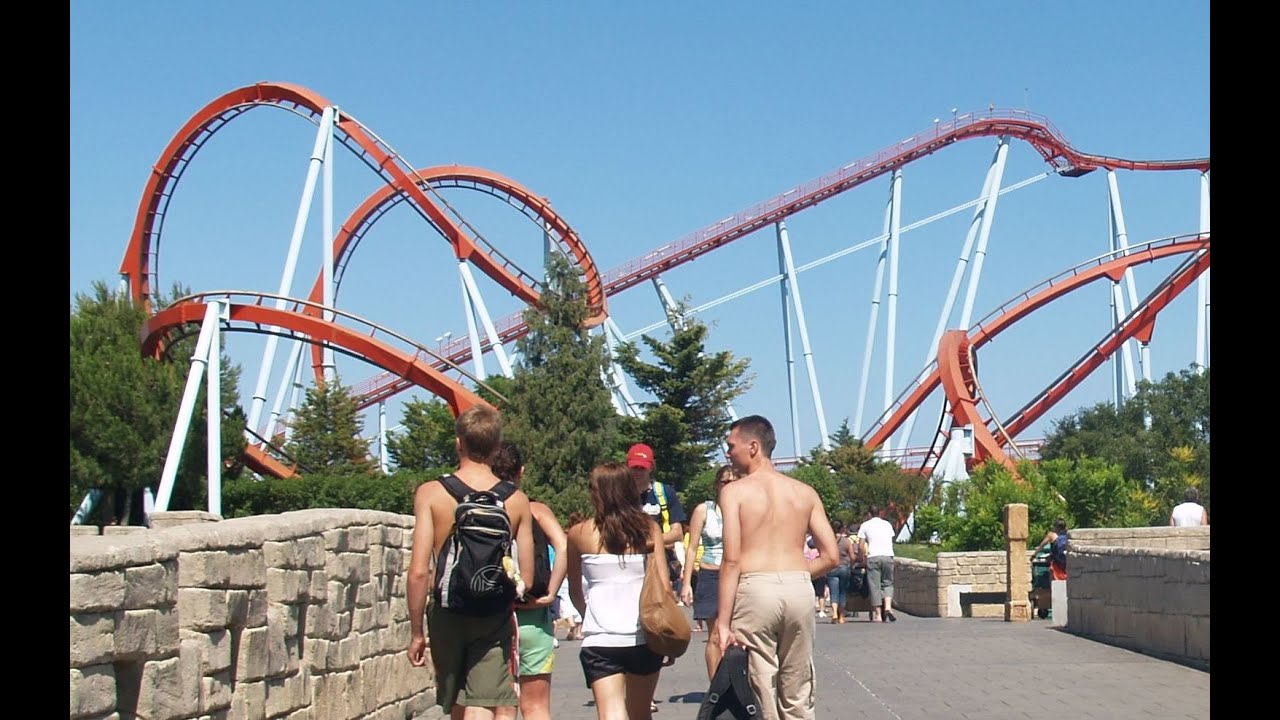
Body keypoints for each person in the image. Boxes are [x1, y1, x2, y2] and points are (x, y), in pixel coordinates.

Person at [406, 405, 535, 720]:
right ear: (495, 447)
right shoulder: (516, 501)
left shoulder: (431, 493)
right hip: (492, 611)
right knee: (483, 697)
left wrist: (416, 633)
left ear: (458, 443)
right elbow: (527, 578)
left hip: (446, 609)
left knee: (458, 701)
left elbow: (419, 571)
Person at [717, 415, 838, 720]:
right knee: (798, 685)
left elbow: (731, 559)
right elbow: (832, 556)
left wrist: (722, 622)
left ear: (753, 446)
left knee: (760, 686)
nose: (728, 453)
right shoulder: (804, 492)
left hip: (755, 587)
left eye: (732, 445)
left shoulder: (733, 492)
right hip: (798, 587)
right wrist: (795, 575)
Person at [566, 462, 672, 720]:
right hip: (643, 635)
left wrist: (589, 614)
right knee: (640, 713)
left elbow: (574, 589)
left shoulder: (579, 533)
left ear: (596, 492)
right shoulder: (648, 529)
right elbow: (665, 587)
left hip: (600, 638)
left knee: (610, 713)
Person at [490, 441, 567, 720]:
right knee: (535, 707)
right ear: (521, 471)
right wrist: (552, 592)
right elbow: (563, 546)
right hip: (534, 614)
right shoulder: (536, 509)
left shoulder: (480, 509)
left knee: (502, 706)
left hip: (493, 616)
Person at [628, 442, 687, 714]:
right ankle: (635, 688)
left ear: (650, 467)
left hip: (659, 564)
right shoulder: (622, 494)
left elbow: (677, 532)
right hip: (629, 567)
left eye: (642, 468)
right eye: (634, 468)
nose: (638, 473)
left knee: (655, 623)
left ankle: (647, 689)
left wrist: (650, 542)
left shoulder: (664, 493)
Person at [680, 465, 737, 680]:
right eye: (725, 482)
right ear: (717, 485)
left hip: (737, 575)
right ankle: (716, 688)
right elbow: (692, 547)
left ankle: (737, 683)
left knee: (738, 633)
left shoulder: (744, 508)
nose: (729, 486)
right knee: (714, 635)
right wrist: (686, 583)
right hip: (710, 575)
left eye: (734, 481)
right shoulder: (705, 510)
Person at [857, 506, 897, 623]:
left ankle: (878, 615)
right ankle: (888, 607)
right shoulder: (887, 524)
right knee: (888, 583)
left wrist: (860, 557)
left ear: (869, 514)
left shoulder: (865, 525)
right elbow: (891, 539)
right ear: (879, 513)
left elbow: (860, 545)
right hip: (888, 555)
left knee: (875, 586)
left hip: (873, 556)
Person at [556, 511, 587, 641]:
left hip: (568, 572)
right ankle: (579, 631)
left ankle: (571, 622)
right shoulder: (586, 535)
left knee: (567, 600)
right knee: (584, 599)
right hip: (585, 572)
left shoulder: (566, 536)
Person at [825, 520, 854, 624]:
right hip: (844, 568)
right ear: (842, 528)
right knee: (842, 592)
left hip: (832, 568)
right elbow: (852, 556)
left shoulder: (828, 541)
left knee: (834, 592)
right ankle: (841, 616)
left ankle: (834, 614)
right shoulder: (846, 541)